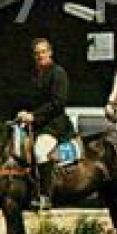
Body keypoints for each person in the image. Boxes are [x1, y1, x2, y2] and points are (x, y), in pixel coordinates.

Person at [15, 38, 76, 209]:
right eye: (37, 53)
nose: (40, 55)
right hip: (36, 125)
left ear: (50, 52)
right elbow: (31, 101)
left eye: (43, 51)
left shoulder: (58, 73)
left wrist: (34, 116)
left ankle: (45, 196)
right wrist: (23, 113)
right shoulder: (34, 76)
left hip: (54, 126)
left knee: (40, 150)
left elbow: (58, 102)